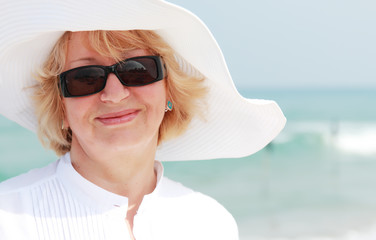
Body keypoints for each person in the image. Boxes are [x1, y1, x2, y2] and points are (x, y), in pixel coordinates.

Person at [0, 0, 286, 239]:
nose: (114, 94)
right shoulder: (9, 218)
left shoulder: (211, 224)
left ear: (169, 90)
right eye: (86, 78)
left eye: (137, 70)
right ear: (60, 107)